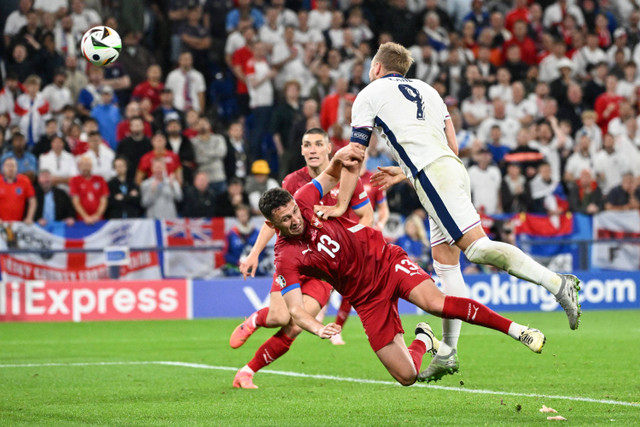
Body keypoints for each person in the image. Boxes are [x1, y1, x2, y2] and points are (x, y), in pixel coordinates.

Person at [336, 42, 580, 383]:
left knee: (477, 248)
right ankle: (448, 353)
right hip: (450, 170)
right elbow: (452, 144)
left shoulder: (369, 93)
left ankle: (557, 284)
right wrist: (405, 172)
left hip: (432, 176)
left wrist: (340, 203)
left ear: (376, 67)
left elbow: (354, 153)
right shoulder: (429, 91)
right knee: (446, 266)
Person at [252, 145, 546, 390]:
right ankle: (424, 340)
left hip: (386, 260)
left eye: (293, 211)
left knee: (435, 303)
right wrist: (317, 328)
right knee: (407, 377)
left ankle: (519, 331)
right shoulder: (285, 257)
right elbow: (295, 310)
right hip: (365, 299)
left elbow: (337, 169)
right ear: (272, 224)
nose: (295, 219)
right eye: (286, 219)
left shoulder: (304, 198)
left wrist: (341, 169)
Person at [230, 128, 374, 388]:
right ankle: (255, 319)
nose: (313, 149)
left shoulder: (348, 178)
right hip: (294, 261)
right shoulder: (292, 183)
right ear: (301, 150)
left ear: (329, 148)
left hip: (325, 266)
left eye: (319, 144)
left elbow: (367, 216)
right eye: (307, 144)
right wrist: (254, 252)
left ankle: (246, 372)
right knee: (277, 317)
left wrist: (356, 247)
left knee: (295, 325)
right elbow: (272, 222)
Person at [223, 204, 263, 277]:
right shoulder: (231, 233)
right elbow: (226, 254)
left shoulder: (257, 233)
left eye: (244, 215)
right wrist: (238, 262)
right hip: (235, 270)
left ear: (248, 215)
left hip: (254, 270)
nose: (242, 217)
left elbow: (263, 252)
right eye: (240, 215)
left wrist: (253, 262)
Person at [69, 155, 109, 224]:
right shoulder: (74, 180)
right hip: (81, 220)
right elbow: (76, 201)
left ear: (91, 166)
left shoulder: (100, 179)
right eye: (83, 165)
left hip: (99, 219)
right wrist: (85, 217)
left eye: (88, 165)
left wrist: (97, 216)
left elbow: (104, 200)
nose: (86, 167)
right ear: (79, 167)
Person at [0, 157, 36, 224]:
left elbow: (32, 201)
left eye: (13, 166)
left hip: (18, 224)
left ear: (17, 168)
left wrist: (29, 217)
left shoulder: (24, 181)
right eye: (8, 166)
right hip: (1, 223)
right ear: (3, 168)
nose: (10, 168)